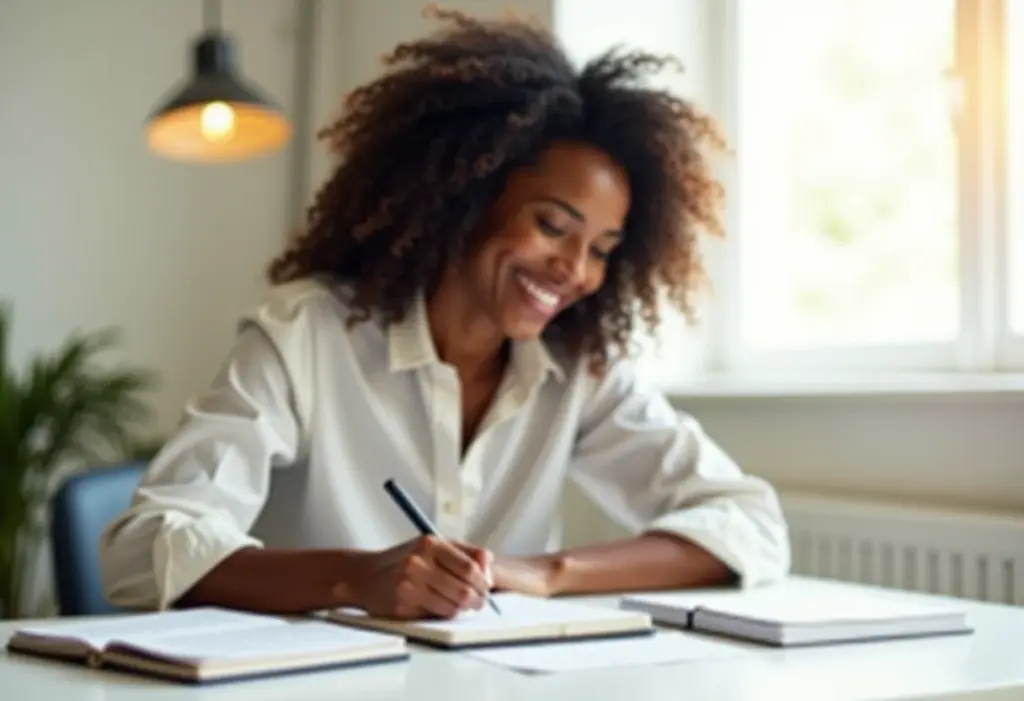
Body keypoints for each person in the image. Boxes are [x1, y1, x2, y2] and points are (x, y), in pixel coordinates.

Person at [99, 7, 790, 621]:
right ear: (466, 197)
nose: (575, 270)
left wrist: (547, 574)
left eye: (602, 249)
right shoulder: (305, 336)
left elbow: (749, 521)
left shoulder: (580, 370)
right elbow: (143, 546)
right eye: (552, 226)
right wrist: (352, 577)